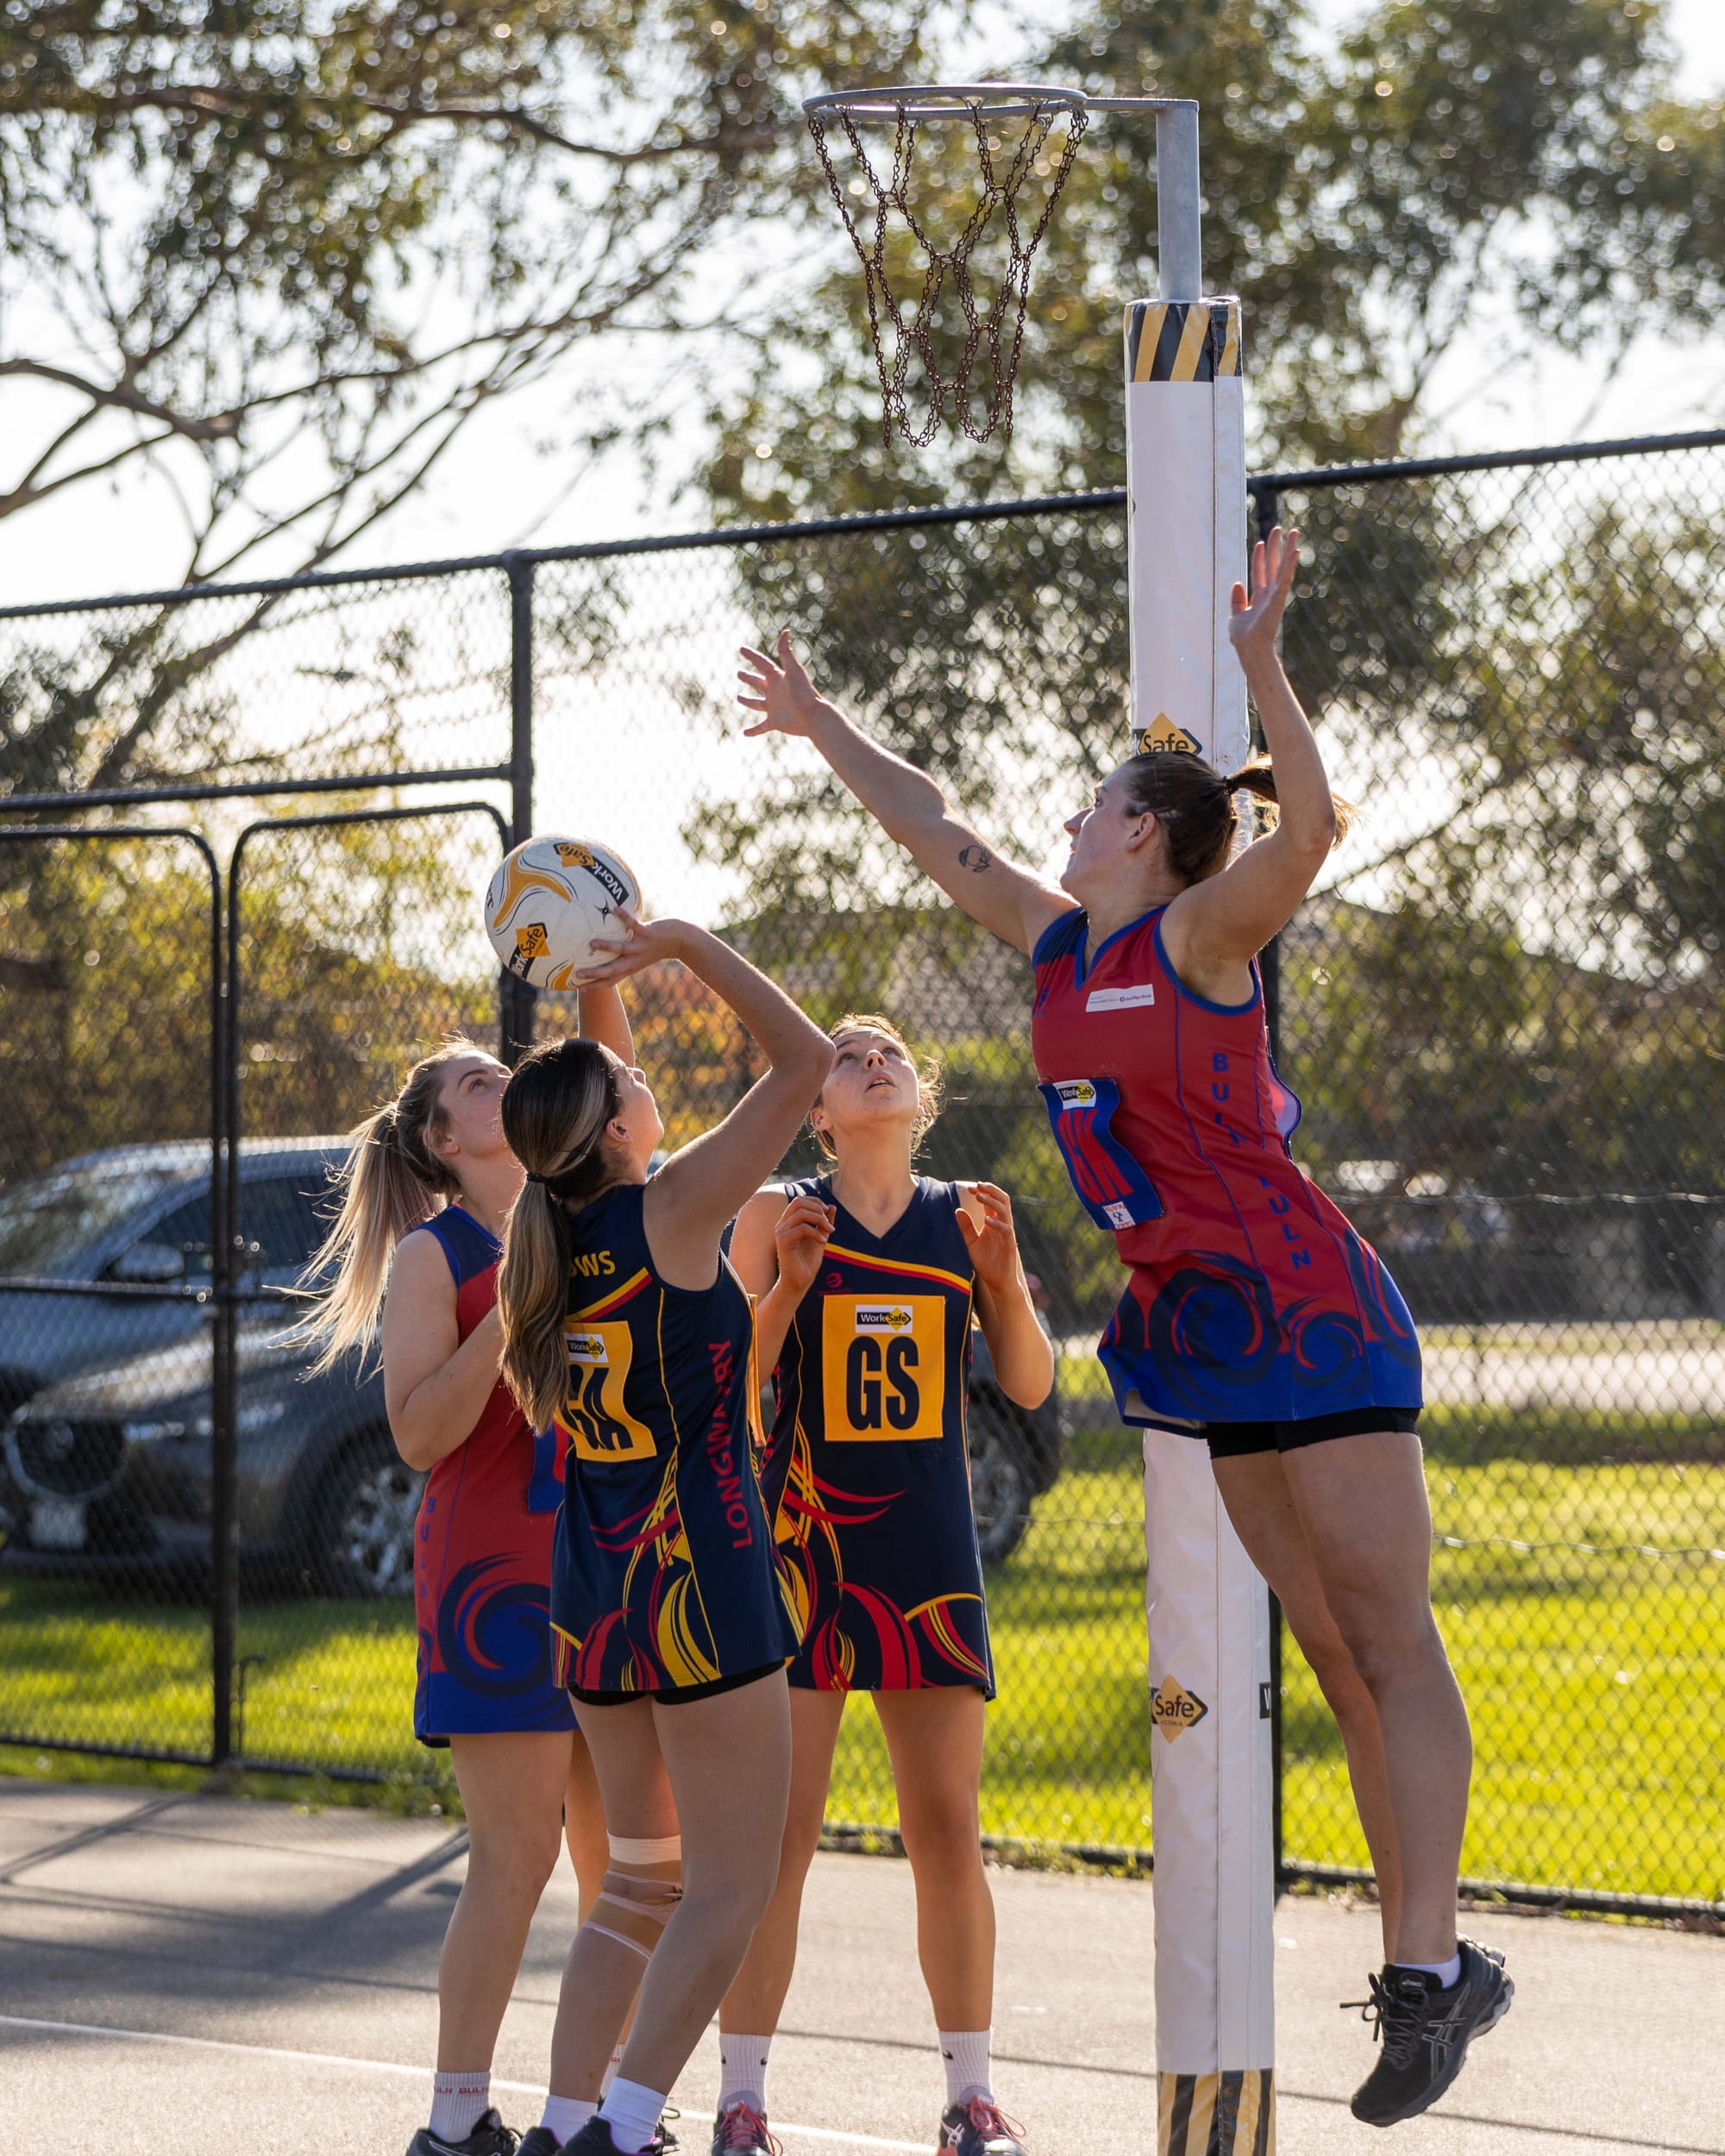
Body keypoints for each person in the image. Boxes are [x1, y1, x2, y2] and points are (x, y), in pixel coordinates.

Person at [731, 528, 1512, 2130]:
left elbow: (1302, 836)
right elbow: (934, 831)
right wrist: (820, 731)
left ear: (1150, 838)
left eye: (1096, 804)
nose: (1067, 818)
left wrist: (1262, 667)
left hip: (1307, 1308)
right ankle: (1443, 1977)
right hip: (1196, 1329)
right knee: (1333, 1662)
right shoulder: (1063, 947)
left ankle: (1426, 1975)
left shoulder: (1202, 937)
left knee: (1385, 1633)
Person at [494, 912, 834, 2156]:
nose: (647, 1079)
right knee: (729, 1888)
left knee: (637, 1885)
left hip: (598, 1601)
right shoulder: (675, 1211)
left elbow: (596, 1092)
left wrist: (596, 970)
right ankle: (623, 2128)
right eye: (636, 1085)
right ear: (621, 1132)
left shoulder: (561, 1232)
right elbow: (802, 1061)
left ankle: (566, 2119)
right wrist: (685, 944)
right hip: (706, 1593)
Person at [712, 1014, 1054, 2156]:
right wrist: (786, 1293)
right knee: (780, 1840)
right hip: (801, 1556)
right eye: (844, 1056)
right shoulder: (777, 1216)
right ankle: (742, 2100)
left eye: (890, 1054)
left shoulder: (964, 1216)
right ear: (815, 1108)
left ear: (921, 1096)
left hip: (925, 1558)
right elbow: (726, 1389)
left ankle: (971, 2098)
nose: (869, 1061)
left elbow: (1030, 1380)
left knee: (947, 1827)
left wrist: (1004, 1285)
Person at [299, 989, 632, 2156]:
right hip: (496, 1580)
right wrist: (517, 1308)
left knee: (631, 1861)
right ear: (445, 1141)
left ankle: (597, 2110)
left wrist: (610, 974)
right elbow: (419, 1435)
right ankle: (454, 2121)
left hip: (613, 1564)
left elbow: (621, 1087)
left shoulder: (591, 1211)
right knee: (519, 1857)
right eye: (477, 1083)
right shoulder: (435, 1259)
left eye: (504, 1072)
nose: (503, 1081)